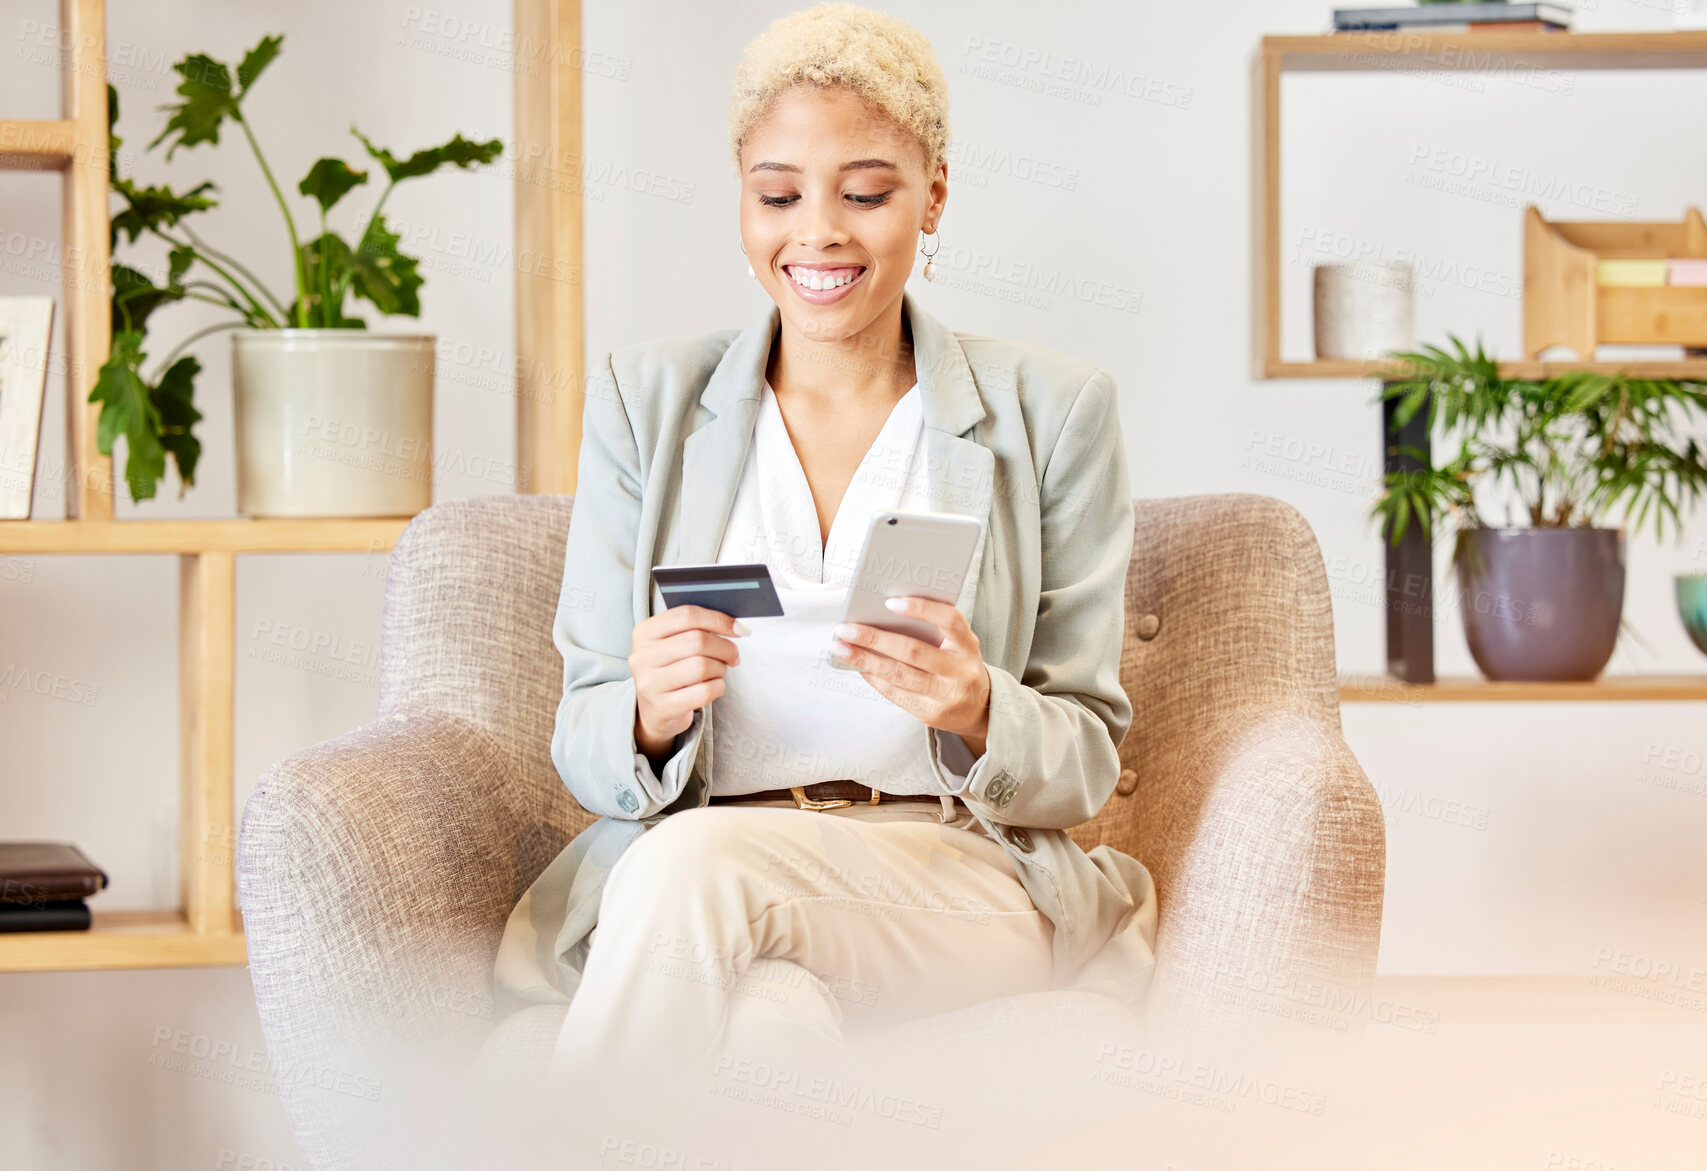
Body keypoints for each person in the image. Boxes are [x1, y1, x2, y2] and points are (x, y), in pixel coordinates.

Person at [492, 1, 1157, 1101]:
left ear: (932, 193)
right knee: (769, 1023)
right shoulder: (645, 404)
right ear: (742, 200)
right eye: (779, 194)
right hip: (709, 862)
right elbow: (585, 736)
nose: (819, 234)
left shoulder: (1056, 411)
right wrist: (649, 713)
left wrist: (977, 704)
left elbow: (1085, 759)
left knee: (697, 870)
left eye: (866, 192)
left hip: (956, 882)